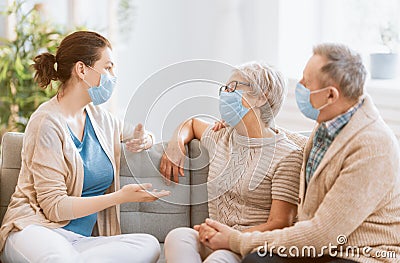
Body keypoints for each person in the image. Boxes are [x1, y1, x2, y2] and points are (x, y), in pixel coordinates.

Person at [199, 43, 400, 263]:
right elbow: (305, 148)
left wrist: (236, 240)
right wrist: (251, 129)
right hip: (322, 247)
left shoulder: (373, 147)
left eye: (306, 82)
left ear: (331, 95)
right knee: (258, 261)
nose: (300, 87)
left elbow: (322, 233)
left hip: (361, 252)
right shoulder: (329, 123)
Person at [0, 31, 170, 263]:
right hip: (36, 230)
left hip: (79, 242)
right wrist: (119, 197)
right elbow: (54, 208)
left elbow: (140, 133)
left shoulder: (101, 119)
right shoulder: (46, 122)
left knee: (148, 245)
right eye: (108, 67)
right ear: (82, 70)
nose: (113, 76)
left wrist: (146, 139)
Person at [161, 62, 306, 263]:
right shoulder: (222, 136)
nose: (224, 95)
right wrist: (175, 143)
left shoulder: (287, 155)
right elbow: (192, 124)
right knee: (178, 237)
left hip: (247, 245)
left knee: (220, 258)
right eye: (224, 89)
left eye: (232, 88)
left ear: (260, 97)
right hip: (210, 237)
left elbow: (281, 222)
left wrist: (231, 238)